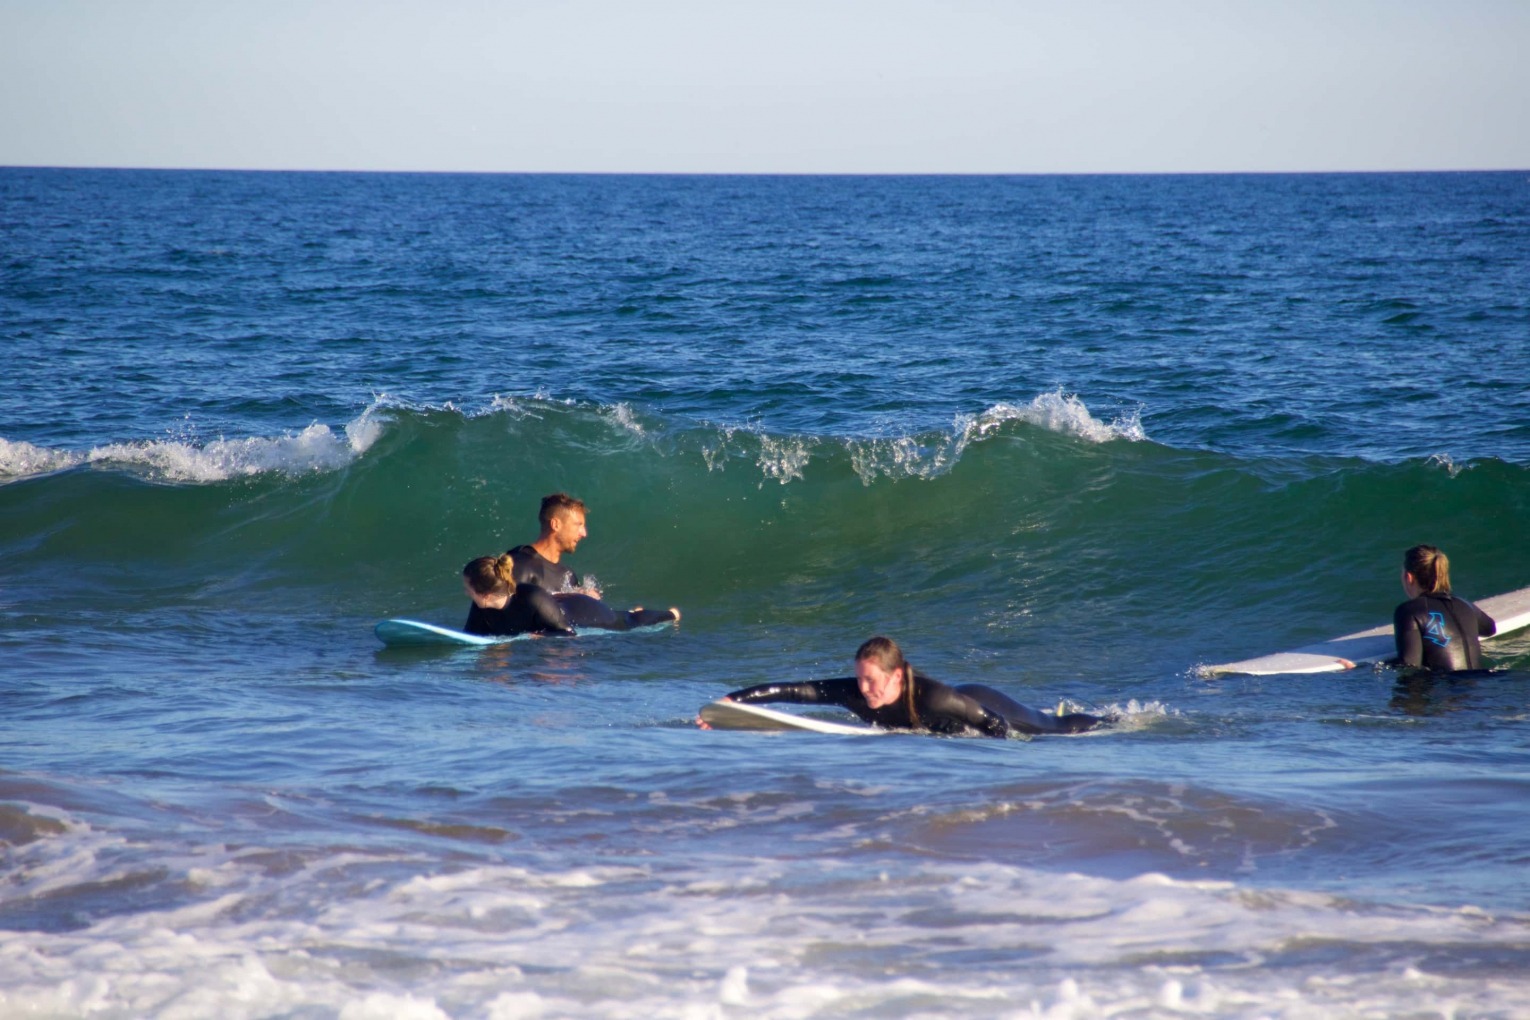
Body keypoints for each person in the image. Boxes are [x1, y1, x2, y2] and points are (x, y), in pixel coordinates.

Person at [702, 636, 1101, 737]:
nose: (862, 688)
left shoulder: (936, 696)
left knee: (1052, 728)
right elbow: (794, 690)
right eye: (858, 677)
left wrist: (998, 757)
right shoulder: (856, 690)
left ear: (896, 677)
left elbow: (994, 724)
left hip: (979, 703)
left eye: (870, 680)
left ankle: (1108, 721)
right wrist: (732, 702)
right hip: (946, 721)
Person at [461, 554, 679, 637]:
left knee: (627, 621)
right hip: (558, 609)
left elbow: (567, 633)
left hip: (581, 611)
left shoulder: (532, 598)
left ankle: (670, 614)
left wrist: (540, 636)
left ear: (487, 594)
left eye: (468, 587)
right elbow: (470, 637)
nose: (465, 592)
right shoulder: (481, 607)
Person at [1393, 544, 1496, 671]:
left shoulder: (1409, 611)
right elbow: (1490, 629)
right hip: (1482, 683)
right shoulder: (1465, 605)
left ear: (1409, 577)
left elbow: (1409, 666)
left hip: (1447, 688)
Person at [506, 493, 589, 593]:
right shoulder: (519, 565)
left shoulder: (569, 576)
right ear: (555, 525)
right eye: (578, 525)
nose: (584, 533)